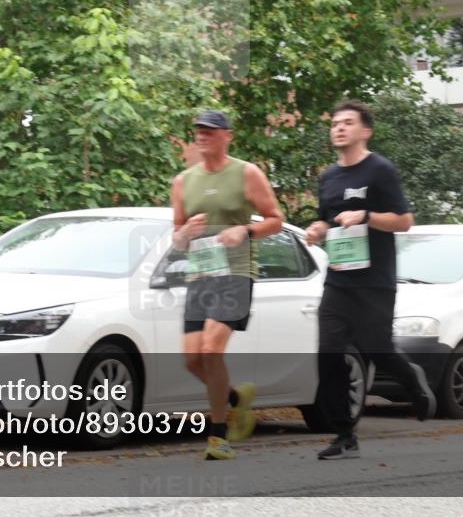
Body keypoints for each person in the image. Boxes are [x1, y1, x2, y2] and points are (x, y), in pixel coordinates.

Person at [305, 99, 436, 460]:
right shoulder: (329, 177)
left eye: (348, 122)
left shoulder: (380, 170)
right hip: (339, 280)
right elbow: (327, 220)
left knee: (375, 349)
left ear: (366, 131)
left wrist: (365, 216)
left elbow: (404, 221)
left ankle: (411, 379)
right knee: (329, 353)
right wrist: (318, 229)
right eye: (335, 123)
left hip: (375, 281)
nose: (339, 128)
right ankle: (344, 433)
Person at [171, 110, 284, 460]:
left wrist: (245, 230)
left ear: (226, 136)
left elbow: (277, 221)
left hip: (236, 273)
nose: (202, 136)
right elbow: (177, 239)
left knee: (210, 350)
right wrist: (184, 234)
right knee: (191, 360)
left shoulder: (246, 173)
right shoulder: (182, 181)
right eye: (198, 131)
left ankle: (218, 437)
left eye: (209, 131)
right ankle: (236, 400)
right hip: (201, 275)